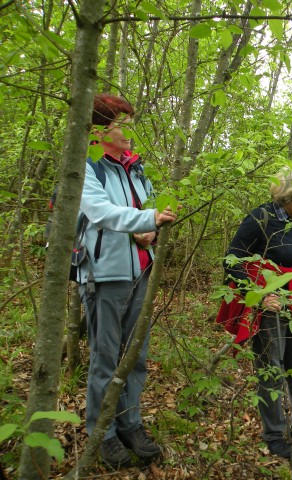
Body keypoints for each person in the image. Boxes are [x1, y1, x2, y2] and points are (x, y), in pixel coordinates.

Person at [78, 94, 177, 468]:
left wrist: (152, 223)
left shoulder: (135, 168)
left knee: (136, 357)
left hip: (142, 272)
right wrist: (146, 220)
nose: (129, 132)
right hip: (105, 274)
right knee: (106, 359)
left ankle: (129, 424)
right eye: (122, 123)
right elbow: (100, 212)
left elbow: (150, 207)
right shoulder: (88, 166)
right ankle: (101, 434)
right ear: (100, 129)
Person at [220, 165, 292, 459]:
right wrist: (260, 293)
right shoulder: (261, 217)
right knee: (271, 368)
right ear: (289, 195)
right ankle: (274, 433)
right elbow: (232, 259)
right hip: (270, 305)